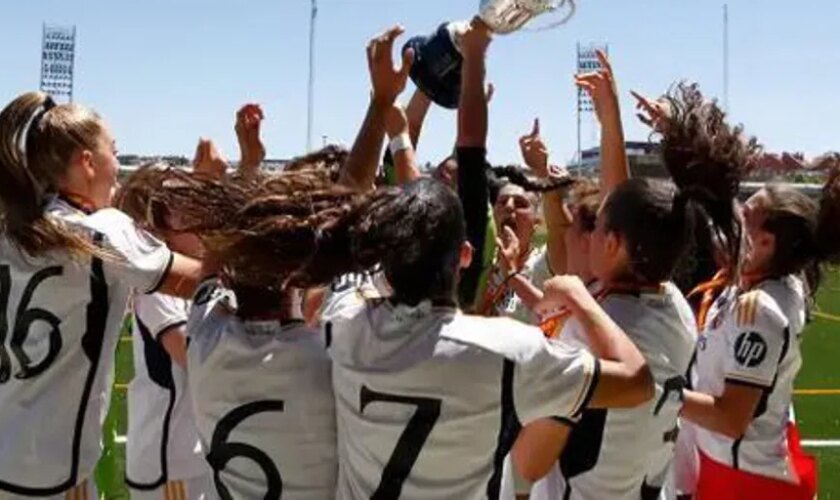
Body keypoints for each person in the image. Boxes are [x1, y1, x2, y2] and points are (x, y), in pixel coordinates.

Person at [516, 82, 751, 500]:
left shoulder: (589, 334)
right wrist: (610, 119)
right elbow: (623, 208)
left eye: (595, 230)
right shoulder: (674, 304)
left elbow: (530, 463)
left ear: (611, 243)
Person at [0, 92, 202, 498]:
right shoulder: (102, 231)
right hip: (52, 470)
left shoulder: (11, 229)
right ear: (87, 162)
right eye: (114, 151)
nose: (118, 168)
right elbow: (199, 280)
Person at [681, 168, 840, 499]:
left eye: (746, 215)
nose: (736, 215)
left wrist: (657, 395)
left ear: (766, 242)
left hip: (749, 482)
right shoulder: (767, 279)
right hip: (729, 467)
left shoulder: (760, 311)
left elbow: (730, 418)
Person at [115, 164, 215, 500]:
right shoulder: (157, 291)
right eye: (187, 212)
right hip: (170, 462)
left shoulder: (191, 281)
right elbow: (196, 357)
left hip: (190, 456)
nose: (200, 222)